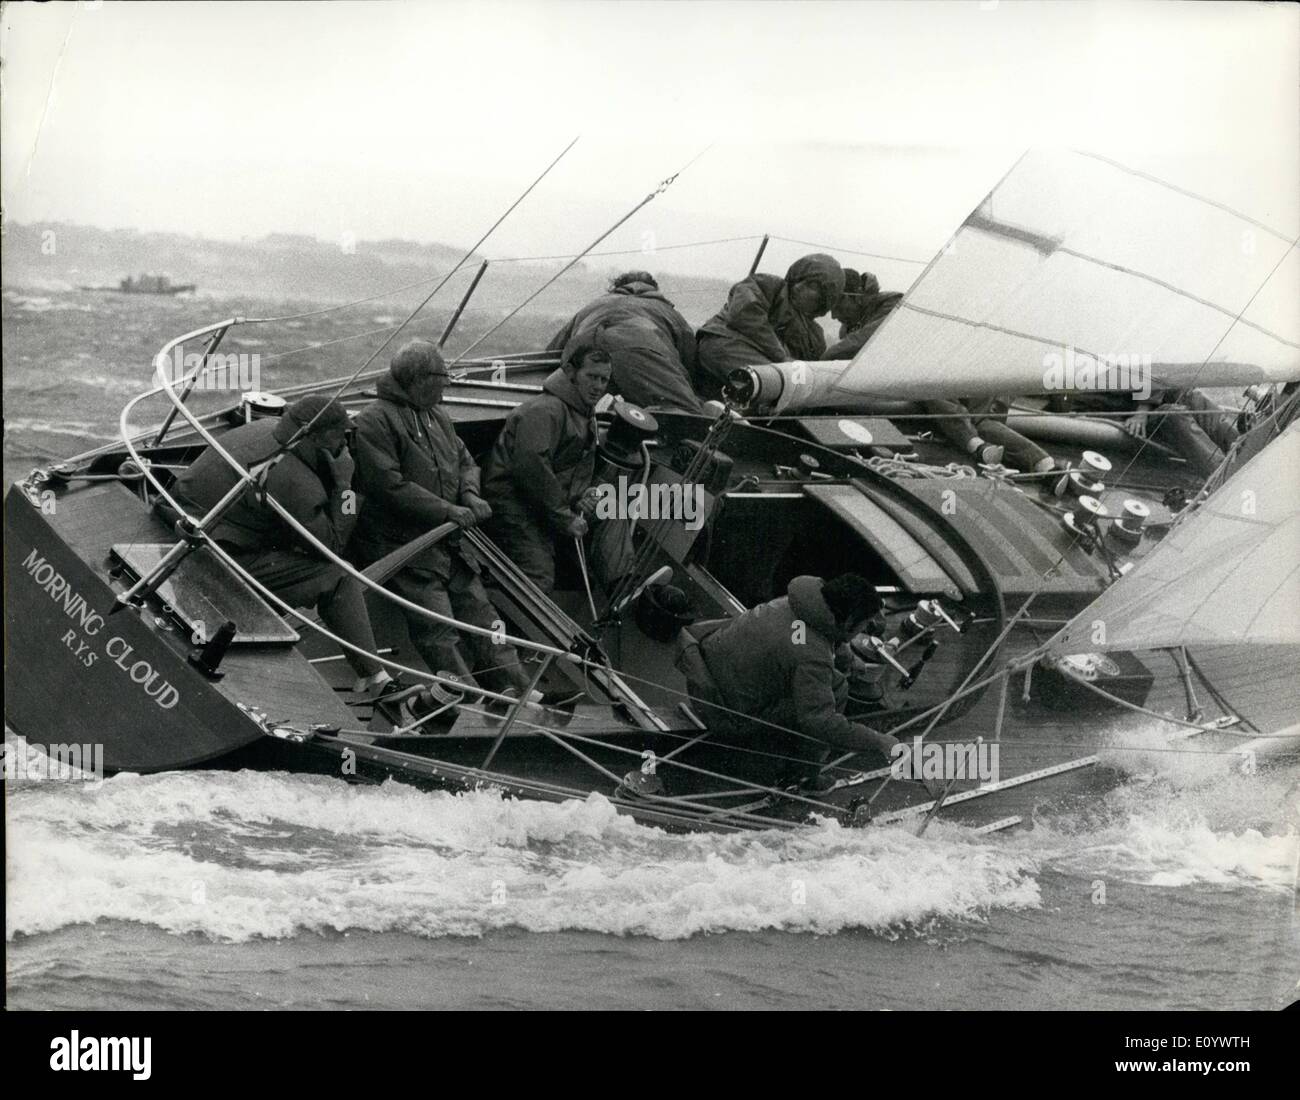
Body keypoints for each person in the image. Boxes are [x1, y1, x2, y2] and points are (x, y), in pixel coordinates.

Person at [351, 340, 536, 696]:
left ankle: (519, 690)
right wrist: (448, 510)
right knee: (438, 630)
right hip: (405, 548)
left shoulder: (437, 416)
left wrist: (469, 493)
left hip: (450, 543)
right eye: (442, 378)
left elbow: (466, 460)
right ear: (419, 380)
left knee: (484, 617)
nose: (447, 386)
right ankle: (468, 699)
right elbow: (387, 485)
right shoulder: (374, 420)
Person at [172, 394, 391, 694]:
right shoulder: (295, 480)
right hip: (216, 556)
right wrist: (346, 488)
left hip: (179, 516)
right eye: (340, 434)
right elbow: (334, 546)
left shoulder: (260, 429)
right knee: (339, 576)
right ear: (316, 435)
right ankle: (373, 674)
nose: (344, 441)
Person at [676, 573, 913, 786]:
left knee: (824, 678)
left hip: (702, 675)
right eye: (864, 623)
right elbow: (820, 721)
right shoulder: (812, 657)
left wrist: (849, 661)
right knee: (837, 687)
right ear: (850, 620)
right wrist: (880, 741)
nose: (866, 628)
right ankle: (803, 777)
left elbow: (814, 632)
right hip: (723, 713)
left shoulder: (798, 604)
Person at [480, 343, 615, 592]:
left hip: (541, 507)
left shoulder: (583, 413)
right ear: (571, 372)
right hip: (513, 506)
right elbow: (531, 467)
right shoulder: (547, 410)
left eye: (603, 380)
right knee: (538, 577)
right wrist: (565, 517)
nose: (598, 386)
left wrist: (582, 496)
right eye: (591, 377)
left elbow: (565, 469)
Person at [547, 271, 703, 414]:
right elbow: (690, 361)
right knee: (688, 416)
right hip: (640, 353)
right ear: (654, 290)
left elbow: (551, 352)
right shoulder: (667, 311)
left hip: (583, 352)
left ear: (617, 287)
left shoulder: (593, 305)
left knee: (571, 413)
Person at [695, 253, 846, 398]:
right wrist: (781, 357)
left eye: (812, 286)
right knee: (773, 381)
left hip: (765, 368)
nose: (800, 286)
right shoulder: (767, 285)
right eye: (801, 279)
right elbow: (745, 314)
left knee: (787, 384)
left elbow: (808, 373)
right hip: (725, 343)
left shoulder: (814, 337)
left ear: (824, 300)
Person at [822, 268, 904, 360]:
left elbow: (869, 339)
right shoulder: (848, 329)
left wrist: (825, 358)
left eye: (838, 307)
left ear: (857, 298)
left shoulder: (894, 305)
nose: (834, 316)